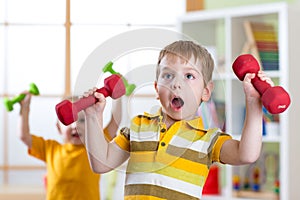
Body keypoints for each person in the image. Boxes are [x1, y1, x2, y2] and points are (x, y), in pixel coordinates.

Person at [83, 40, 274, 200]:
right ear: (157, 89)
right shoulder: (139, 126)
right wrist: (93, 117)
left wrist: (253, 102)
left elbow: (246, 154)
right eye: (168, 75)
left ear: (205, 92)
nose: (176, 83)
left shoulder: (208, 140)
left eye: (189, 76)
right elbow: (101, 163)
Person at [18, 93, 121, 200]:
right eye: (69, 121)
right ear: (58, 128)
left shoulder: (95, 147)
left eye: (82, 120)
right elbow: (24, 136)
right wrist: (24, 108)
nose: (75, 126)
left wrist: (118, 93)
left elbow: (116, 121)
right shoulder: (50, 148)